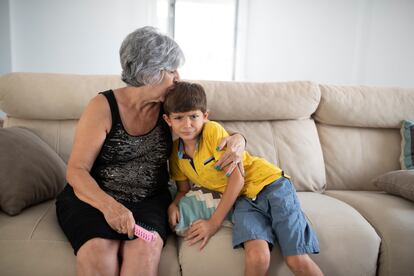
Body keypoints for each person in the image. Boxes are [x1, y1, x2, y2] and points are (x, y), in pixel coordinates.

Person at [55, 26, 246, 276]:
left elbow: (206, 129)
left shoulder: (168, 107)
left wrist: (239, 139)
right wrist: (110, 207)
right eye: (171, 70)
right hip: (96, 198)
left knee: (145, 252)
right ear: (149, 73)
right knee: (99, 253)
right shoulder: (102, 107)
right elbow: (76, 170)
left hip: (149, 200)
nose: (178, 77)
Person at [163, 81, 323, 276]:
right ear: (168, 120)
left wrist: (213, 223)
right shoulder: (175, 156)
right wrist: (174, 204)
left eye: (193, 116)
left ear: (204, 116)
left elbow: (237, 179)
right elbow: (182, 190)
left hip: (271, 185)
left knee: (296, 259)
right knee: (257, 257)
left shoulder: (212, 132)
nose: (187, 124)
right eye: (179, 118)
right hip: (244, 201)